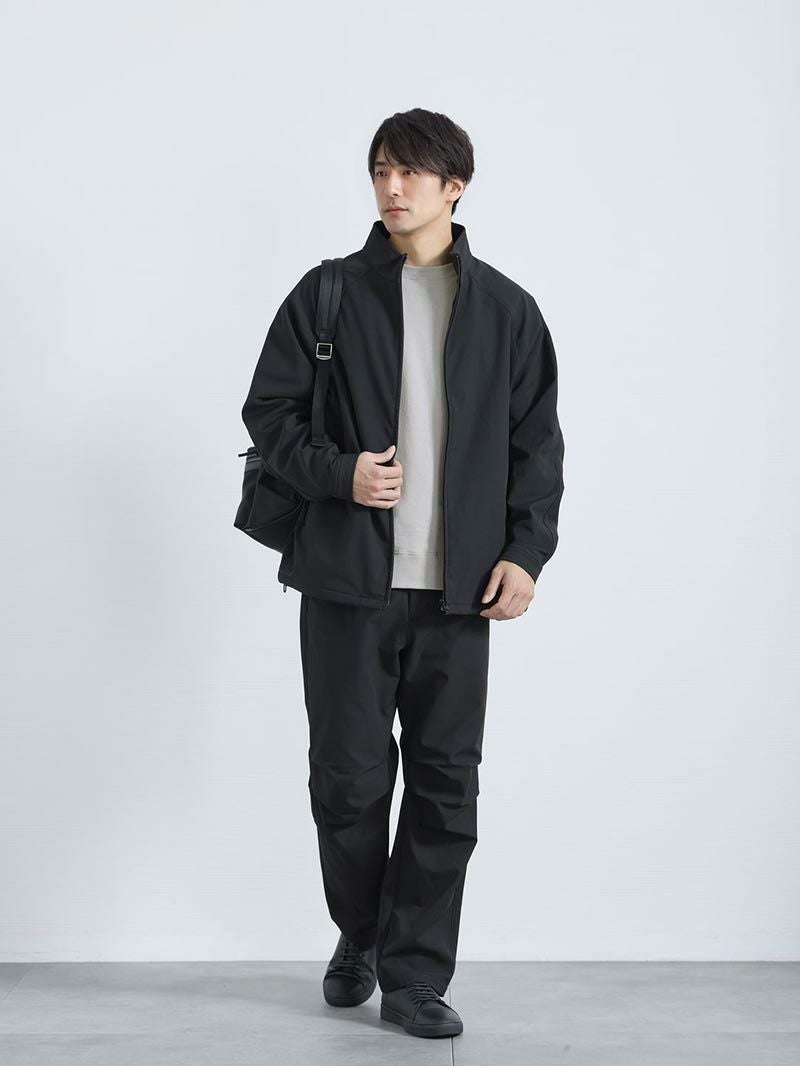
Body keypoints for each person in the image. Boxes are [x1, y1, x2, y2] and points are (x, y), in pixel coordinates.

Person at [241, 108, 565, 1039]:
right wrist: (338, 472)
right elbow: (268, 413)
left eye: (410, 172)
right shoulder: (329, 294)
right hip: (347, 581)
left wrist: (526, 552)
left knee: (445, 785)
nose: (391, 187)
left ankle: (415, 976)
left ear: (454, 186)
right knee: (346, 781)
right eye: (380, 169)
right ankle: (363, 932)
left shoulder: (507, 311)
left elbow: (537, 447)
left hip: (460, 590)